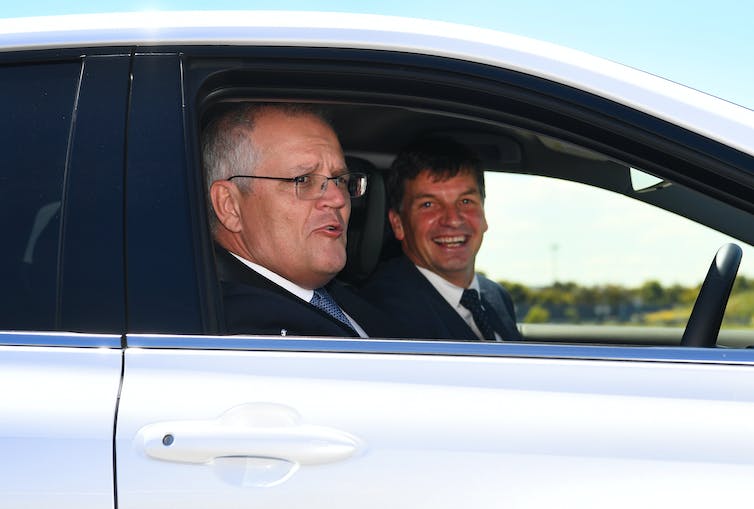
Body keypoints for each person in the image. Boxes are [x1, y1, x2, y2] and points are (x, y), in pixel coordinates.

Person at [203, 102, 397, 337]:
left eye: (340, 179)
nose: (338, 198)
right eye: (303, 180)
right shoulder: (243, 332)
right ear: (230, 206)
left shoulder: (340, 297)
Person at [360, 138, 522, 341]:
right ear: (398, 224)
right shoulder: (378, 312)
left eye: (465, 201)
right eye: (428, 204)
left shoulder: (496, 296)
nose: (453, 220)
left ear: (484, 215)